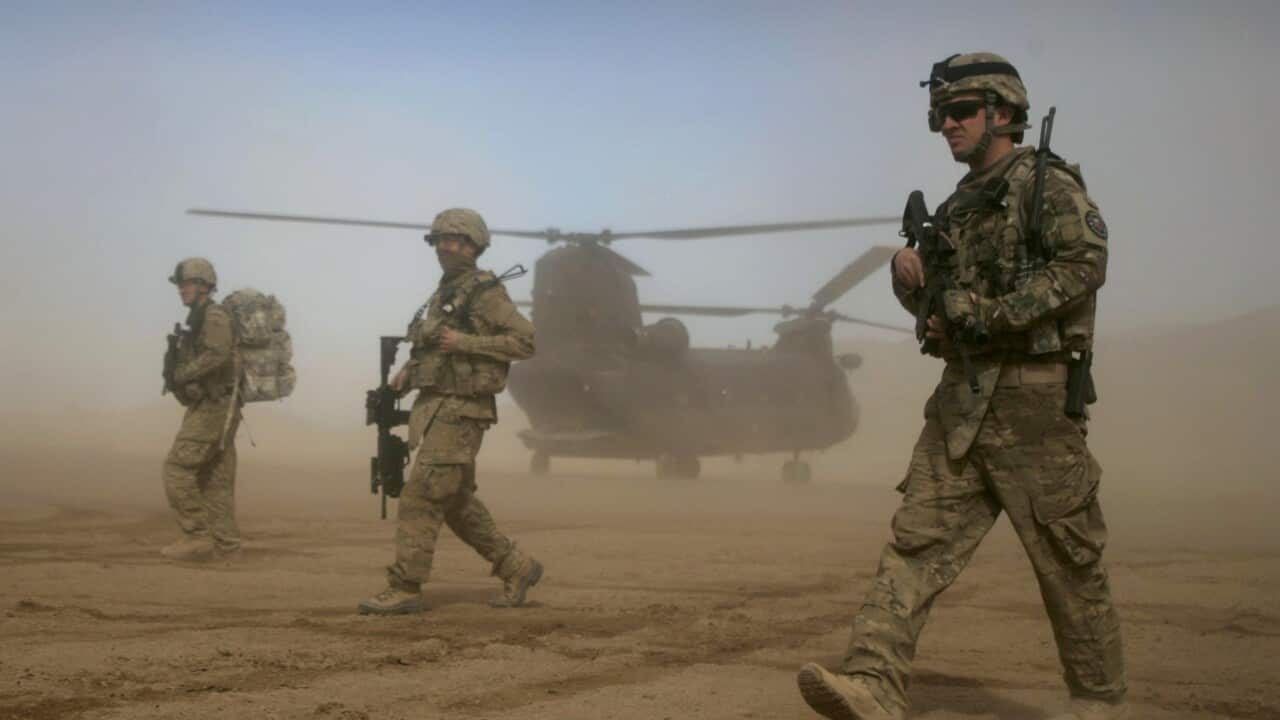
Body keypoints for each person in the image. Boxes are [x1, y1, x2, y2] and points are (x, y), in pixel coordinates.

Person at [797, 53, 1126, 720]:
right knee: (915, 547)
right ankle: (875, 684)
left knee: (1068, 565)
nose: (946, 124)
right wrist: (907, 275)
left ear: (1002, 113)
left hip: (1035, 405)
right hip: (962, 405)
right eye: (939, 113)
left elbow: (1085, 264)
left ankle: (1100, 704)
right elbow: (942, 317)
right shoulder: (957, 207)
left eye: (960, 111)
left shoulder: (1046, 186)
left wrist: (992, 315)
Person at [359, 207, 544, 615]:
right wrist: (409, 371)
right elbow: (434, 345)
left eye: (455, 240)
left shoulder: (486, 291)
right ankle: (518, 567)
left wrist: (466, 344)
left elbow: (526, 341)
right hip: (437, 405)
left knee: (421, 497)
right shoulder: (446, 291)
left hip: (462, 410)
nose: (446, 247)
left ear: (474, 246)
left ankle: (406, 586)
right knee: (455, 503)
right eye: (440, 240)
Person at [161, 257, 241, 562]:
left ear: (204, 285)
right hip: (218, 407)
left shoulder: (214, 315)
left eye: (187, 284)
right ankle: (227, 548)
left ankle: (196, 535)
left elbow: (217, 354)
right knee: (215, 481)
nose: (181, 290)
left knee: (177, 468)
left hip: (213, 407)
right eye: (180, 285)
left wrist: (183, 374)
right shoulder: (200, 317)